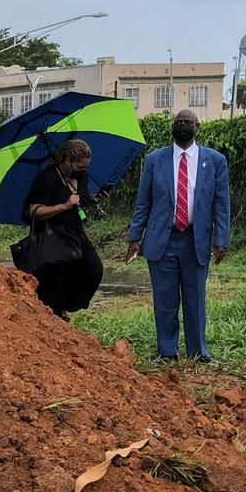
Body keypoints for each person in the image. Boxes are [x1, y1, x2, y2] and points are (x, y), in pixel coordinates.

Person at [127, 108, 230, 362]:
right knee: (165, 300)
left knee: (195, 300)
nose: (183, 125)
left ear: (197, 128)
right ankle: (167, 352)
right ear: (173, 127)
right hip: (162, 240)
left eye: (188, 122)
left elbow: (221, 204)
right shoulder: (154, 160)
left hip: (196, 240)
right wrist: (134, 237)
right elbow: (143, 203)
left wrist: (221, 240)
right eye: (179, 121)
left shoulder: (215, 161)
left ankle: (198, 352)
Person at [22, 139, 107, 318]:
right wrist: (64, 205)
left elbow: (81, 199)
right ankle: (56, 313)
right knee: (57, 280)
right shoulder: (47, 178)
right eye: (80, 166)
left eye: (86, 167)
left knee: (94, 270)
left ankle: (67, 305)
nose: (84, 170)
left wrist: (93, 199)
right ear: (67, 161)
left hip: (74, 232)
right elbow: (34, 211)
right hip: (53, 236)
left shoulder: (80, 176)